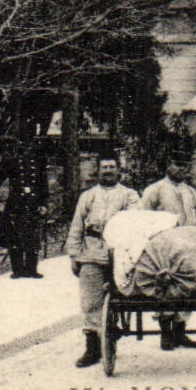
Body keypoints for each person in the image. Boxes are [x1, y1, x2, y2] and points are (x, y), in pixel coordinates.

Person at [65, 154, 140, 368]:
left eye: (112, 167)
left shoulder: (130, 195)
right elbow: (77, 225)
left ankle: (112, 329)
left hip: (121, 251)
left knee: (125, 293)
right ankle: (92, 347)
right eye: (104, 167)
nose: (108, 171)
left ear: (119, 171)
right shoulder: (87, 196)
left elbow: (136, 222)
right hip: (92, 250)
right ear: (97, 171)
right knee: (90, 299)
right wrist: (73, 254)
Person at [139, 154, 196, 351]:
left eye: (186, 166)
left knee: (189, 283)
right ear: (168, 165)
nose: (182, 169)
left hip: (190, 246)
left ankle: (180, 330)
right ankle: (166, 332)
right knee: (166, 284)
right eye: (178, 164)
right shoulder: (154, 190)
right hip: (164, 249)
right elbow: (142, 218)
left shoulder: (191, 192)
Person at [0, 134, 49, 279]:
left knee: (33, 237)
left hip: (33, 204)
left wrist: (44, 204)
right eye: (22, 144)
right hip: (16, 204)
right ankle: (18, 270)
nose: (25, 147)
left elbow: (44, 185)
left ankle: (32, 269)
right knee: (15, 237)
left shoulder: (39, 162)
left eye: (28, 144)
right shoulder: (11, 162)